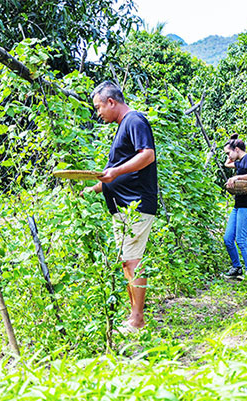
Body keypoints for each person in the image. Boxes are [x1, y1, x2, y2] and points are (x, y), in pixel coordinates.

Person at [83, 81, 157, 331]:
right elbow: (119, 175)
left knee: (133, 261)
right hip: (123, 207)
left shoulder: (135, 120)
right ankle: (134, 317)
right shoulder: (122, 127)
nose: (98, 113)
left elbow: (147, 155)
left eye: (99, 107)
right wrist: (94, 188)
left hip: (135, 206)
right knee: (127, 262)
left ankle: (137, 320)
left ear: (111, 102)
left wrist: (114, 172)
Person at [223, 134, 247, 280]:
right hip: (238, 206)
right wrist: (231, 146)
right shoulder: (240, 161)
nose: (228, 156)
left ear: (237, 149)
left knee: (241, 239)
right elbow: (227, 164)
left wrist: (236, 177)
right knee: (227, 238)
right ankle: (237, 268)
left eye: (228, 152)